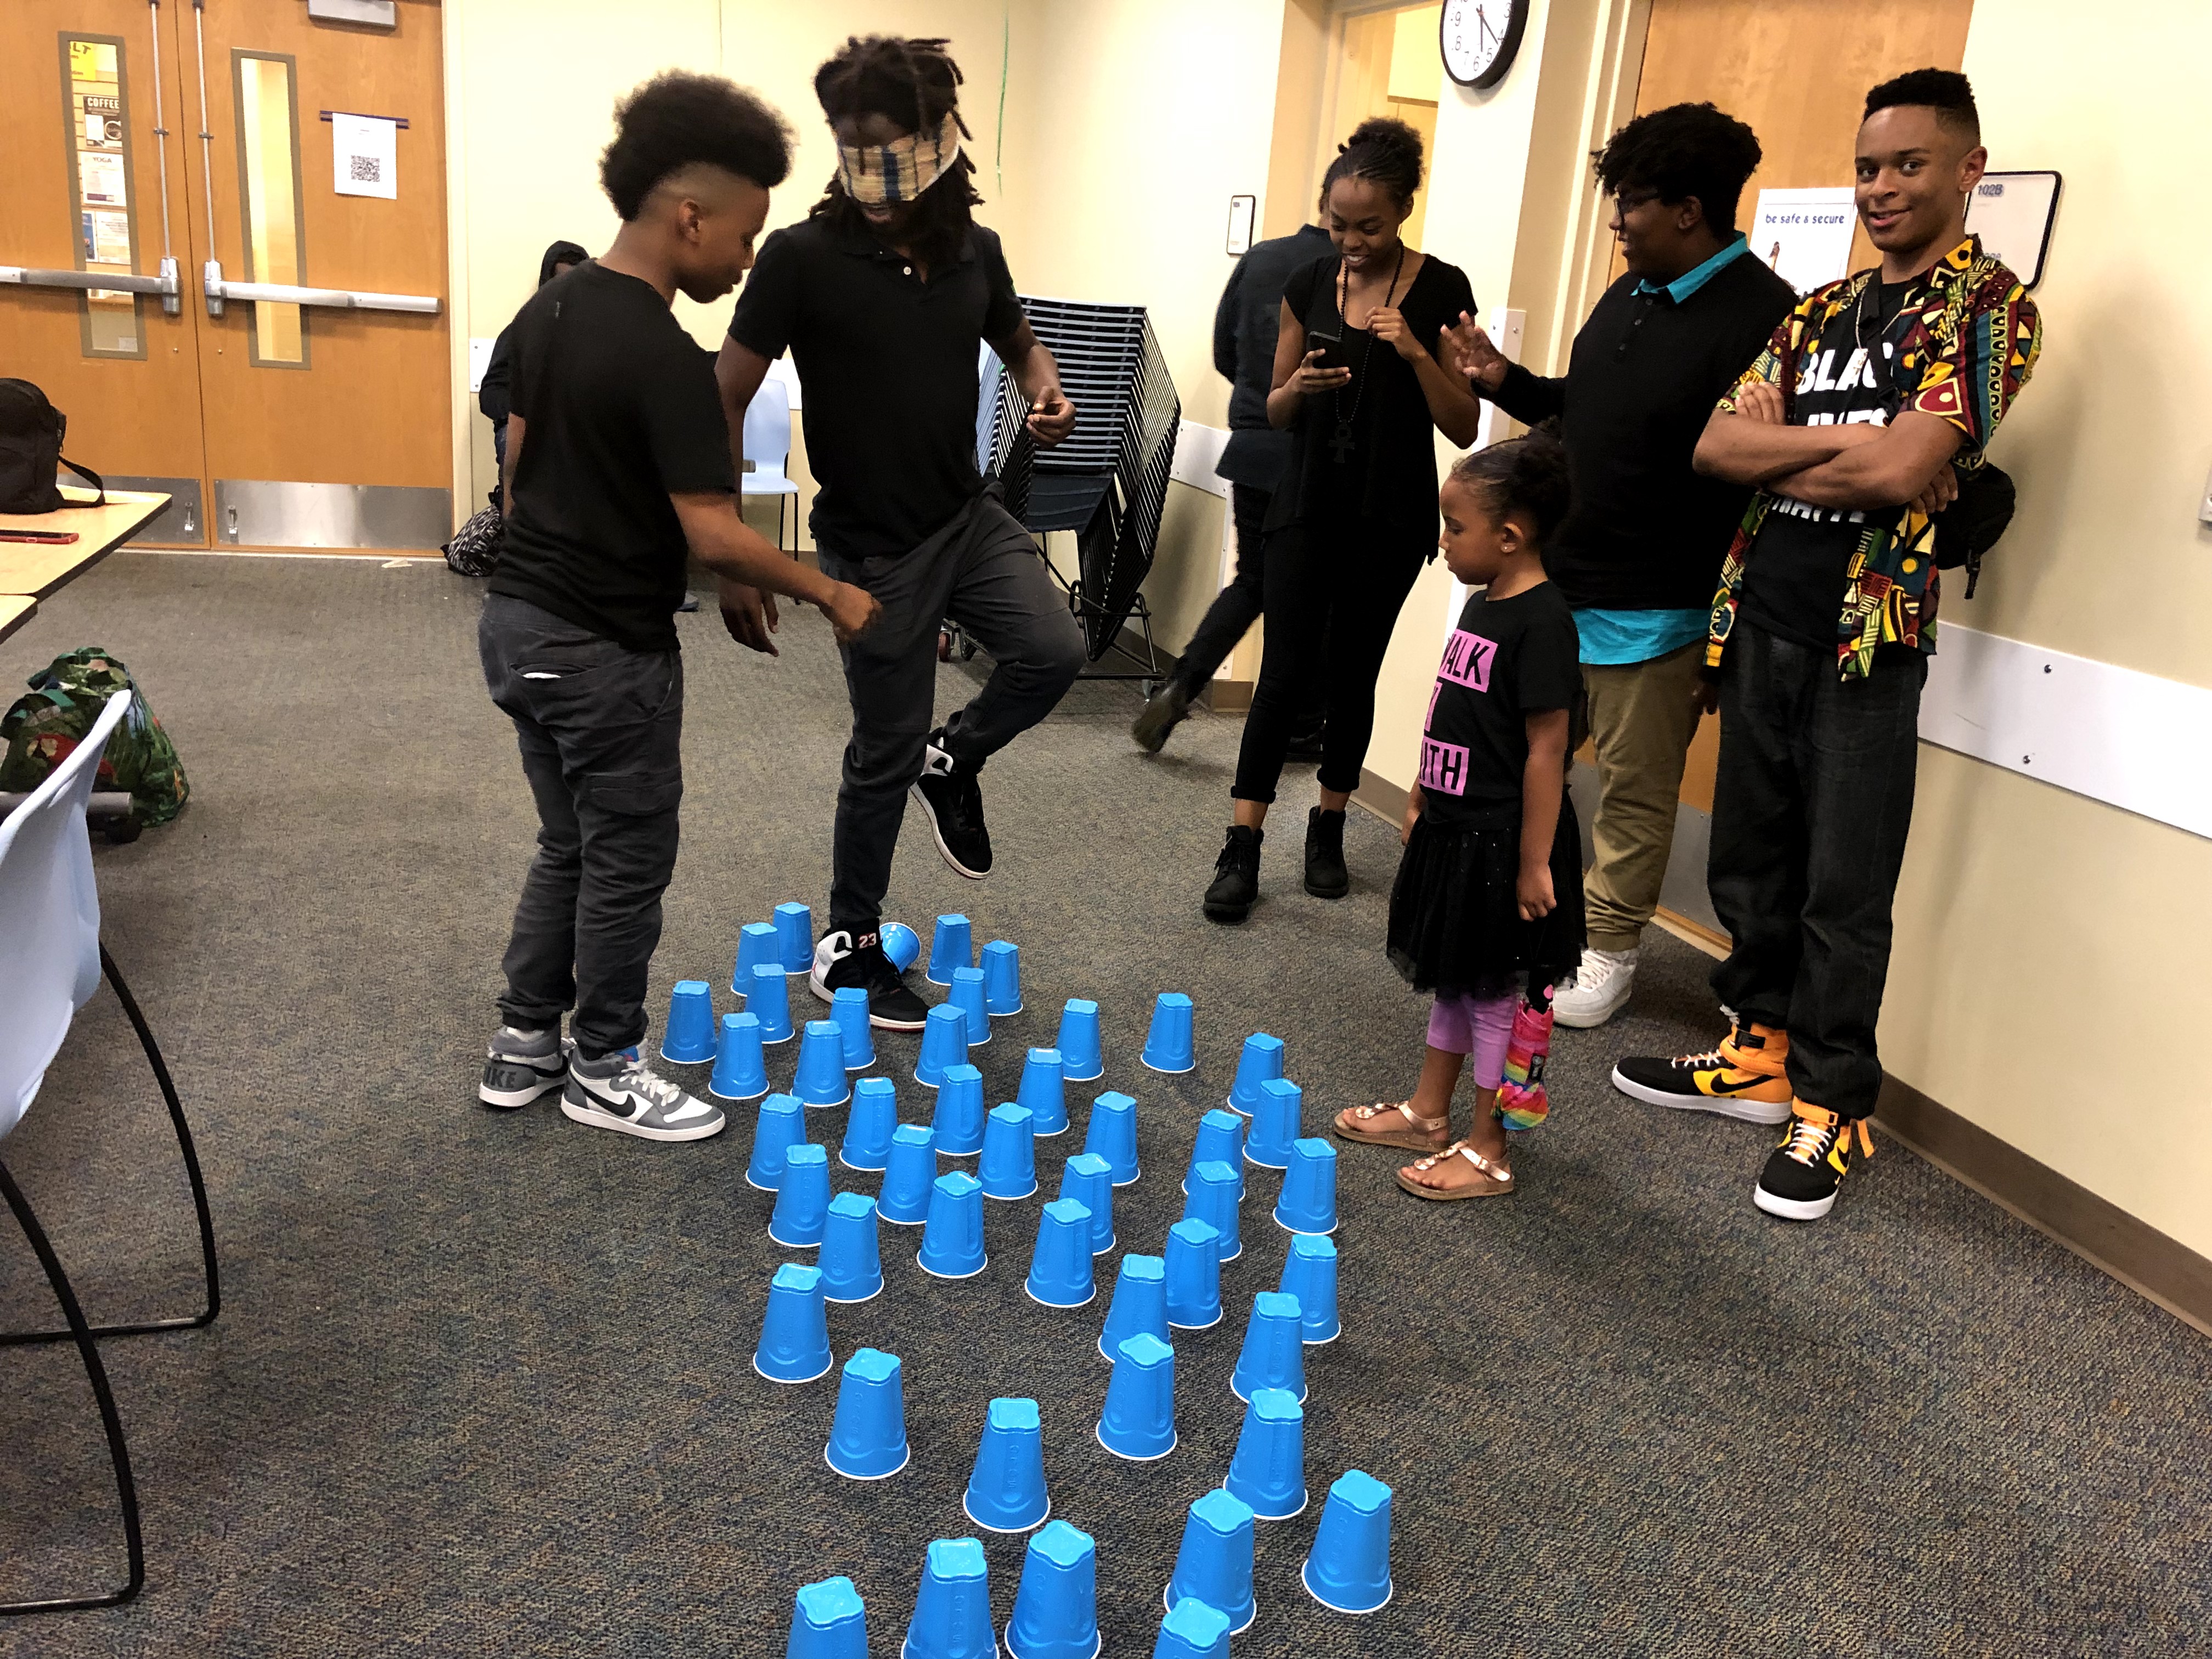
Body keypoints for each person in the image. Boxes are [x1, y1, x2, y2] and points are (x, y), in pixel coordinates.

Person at [1612, 70, 2042, 1222]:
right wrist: (1856, 449)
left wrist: (1802, 442)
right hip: (1761, 612)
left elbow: (1904, 471)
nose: (1880, 187)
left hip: (1868, 637)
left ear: (1967, 169)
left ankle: (1833, 1101)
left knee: (1844, 886)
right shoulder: (1817, 311)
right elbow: (1714, 448)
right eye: (1866, 167)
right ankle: (1756, 1052)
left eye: (1907, 164)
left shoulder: (1988, 310)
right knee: (1751, 860)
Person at [476, 72, 879, 1143]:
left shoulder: (548, 308)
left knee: (567, 842)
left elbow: (517, 466)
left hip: (516, 629)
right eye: (744, 235)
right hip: (606, 652)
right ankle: (606, 1064)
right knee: (625, 858)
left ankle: (525, 1041)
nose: (747, 261)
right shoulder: (664, 353)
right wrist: (831, 590)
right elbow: (711, 531)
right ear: (689, 216)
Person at [716, 35, 1085, 1030]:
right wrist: (728, 549)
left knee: (1054, 650)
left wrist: (1045, 389)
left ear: (939, 143)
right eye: (850, 149)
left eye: (887, 151)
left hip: (966, 516)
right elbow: (724, 396)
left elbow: (1020, 343)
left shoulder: (976, 251)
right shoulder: (801, 258)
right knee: (881, 748)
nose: (870, 177)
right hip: (873, 547)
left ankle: (953, 756)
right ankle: (850, 945)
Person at [1448, 104, 1796, 1028]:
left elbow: (1756, 470)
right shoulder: (1628, 293)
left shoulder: (1765, 315)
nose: (1616, 222)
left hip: (1662, 607)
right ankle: (1534, 915)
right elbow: (1588, 407)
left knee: (1633, 796)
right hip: (1564, 587)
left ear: (1688, 210)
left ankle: (1607, 951)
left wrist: (1722, 634)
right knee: (1526, 762)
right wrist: (1505, 381)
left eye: (1631, 204)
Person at [1204, 118, 1484, 923]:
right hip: (1305, 505)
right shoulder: (1306, 281)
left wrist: (1416, 353)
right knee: (1284, 675)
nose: (1353, 243)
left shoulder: (1443, 289)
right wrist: (1301, 388)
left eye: (1371, 227)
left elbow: (1464, 423)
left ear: (1403, 214)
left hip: (1390, 514)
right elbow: (1275, 407)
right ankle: (1242, 844)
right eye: (1339, 224)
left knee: (1354, 675)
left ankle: (1328, 827)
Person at [1330, 435, 1583, 1199]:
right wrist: (1421, 787)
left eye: (1455, 526)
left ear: (1509, 537)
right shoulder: (1482, 605)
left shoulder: (1544, 622)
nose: (1443, 540)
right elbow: (1455, 707)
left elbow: (1547, 750)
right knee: (1453, 980)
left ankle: (1489, 1147)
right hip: (1454, 827)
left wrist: (1534, 863)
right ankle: (1428, 1112)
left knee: (1495, 995)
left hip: (1503, 844)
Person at [1129, 206, 1333, 756]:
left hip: (1252, 445)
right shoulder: (1353, 272)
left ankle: (1183, 681)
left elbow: (1226, 351)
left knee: (1254, 581)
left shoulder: (1261, 259)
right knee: (1318, 595)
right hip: (1313, 457)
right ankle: (1303, 726)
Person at [478, 239, 588, 488]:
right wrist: (521, 415)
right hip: (527, 427)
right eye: (559, 282)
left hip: (577, 430)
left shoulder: (596, 336)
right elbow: (491, 393)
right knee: (513, 441)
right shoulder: (521, 330)